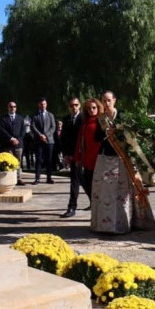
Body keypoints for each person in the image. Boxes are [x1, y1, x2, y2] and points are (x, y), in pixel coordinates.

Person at [91, 91, 136, 234]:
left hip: (121, 158)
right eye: (104, 101)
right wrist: (106, 133)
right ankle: (105, 224)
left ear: (114, 100)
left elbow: (131, 136)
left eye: (109, 100)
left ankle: (123, 223)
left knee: (121, 193)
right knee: (106, 193)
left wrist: (116, 132)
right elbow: (96, 138)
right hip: (106, 158)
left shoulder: (123, 116)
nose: (106, 103)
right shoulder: (101, 118)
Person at [67, 98, 101, 218]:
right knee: (88, 184)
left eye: (94, 108)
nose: (92, 110)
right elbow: (79, 143)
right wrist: (76, 157)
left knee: (100, 187)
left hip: (100, 159)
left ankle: (99, 212)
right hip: (87, 160)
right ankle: (94, 208)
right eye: (89, 108)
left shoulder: (102, 121)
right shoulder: (85, 123)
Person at [60, 97, 90, 217]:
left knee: (82, 180)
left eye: (76, 105)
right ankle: (72, 207)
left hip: (83, 155)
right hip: (72, 155)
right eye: (72, 105)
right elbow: (64, 138)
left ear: (80, 105)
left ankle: (74, 206)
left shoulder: (84, 118)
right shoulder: (66, 119)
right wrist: (66, 154)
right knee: (76, 180)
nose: (74, 107)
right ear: (69, 107)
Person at [0, 101, 28, 185]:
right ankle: (10, 179)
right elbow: (2, 130)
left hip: (18, 144)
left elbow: (23, 130)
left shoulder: (20, 118)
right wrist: (11, 138)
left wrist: (18, 139)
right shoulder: (3, 118)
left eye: (14, 107)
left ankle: (18, 178)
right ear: (8, 108)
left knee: (18, 162)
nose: (12, 108)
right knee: (9, 162)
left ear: (16, 108)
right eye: (11, 107)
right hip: (8, 144)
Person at [30, 98, 57, 184]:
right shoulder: (35, 115)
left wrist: (46, 135)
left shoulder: (50, 115)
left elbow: (53, 127)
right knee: (38, 159)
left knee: (49, 160)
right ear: (39, 105)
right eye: (41, 104)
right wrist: (40, 135)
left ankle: (49, 178)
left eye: (44, 104)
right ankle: (37, 178)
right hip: (39, 140)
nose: (43, 106)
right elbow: (32, 126)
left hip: (49, 141)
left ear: (46, 105)